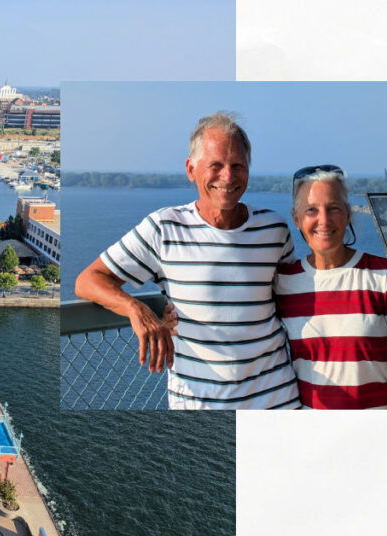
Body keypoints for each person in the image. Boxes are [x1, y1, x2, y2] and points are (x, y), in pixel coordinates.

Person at [75, 112, 300, 409]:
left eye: (237, 166)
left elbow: (295, 301)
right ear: (191, 169)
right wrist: (135, 308)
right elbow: (88, 280)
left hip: (278, 403)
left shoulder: (274, 229)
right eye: (215, 166)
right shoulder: (164, 228)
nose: (228, 177)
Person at [274, 165, 387, 409]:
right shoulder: (285, 282)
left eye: (333, 208)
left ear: (347, 214)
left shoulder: (385, 276)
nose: (323, 220)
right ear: (297, 220)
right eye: (311, 210)